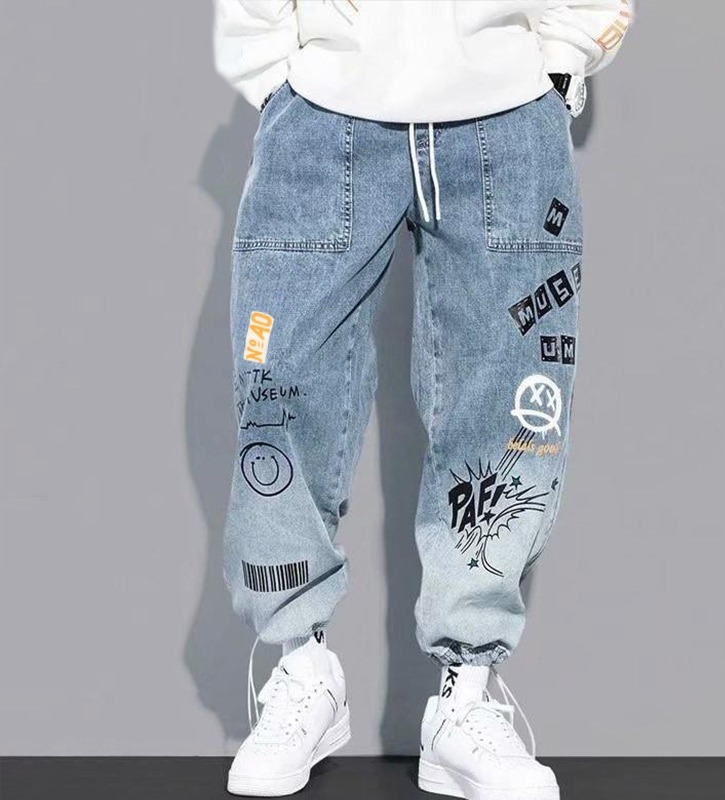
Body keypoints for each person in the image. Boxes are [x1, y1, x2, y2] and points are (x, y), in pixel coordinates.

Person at [213, 1, 632, 797]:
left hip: (507, 113)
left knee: (509, 404)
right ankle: (301, 670)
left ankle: (465, 700)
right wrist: (271, 72)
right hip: (324, 108)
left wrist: (561, 60)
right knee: (280, 386)